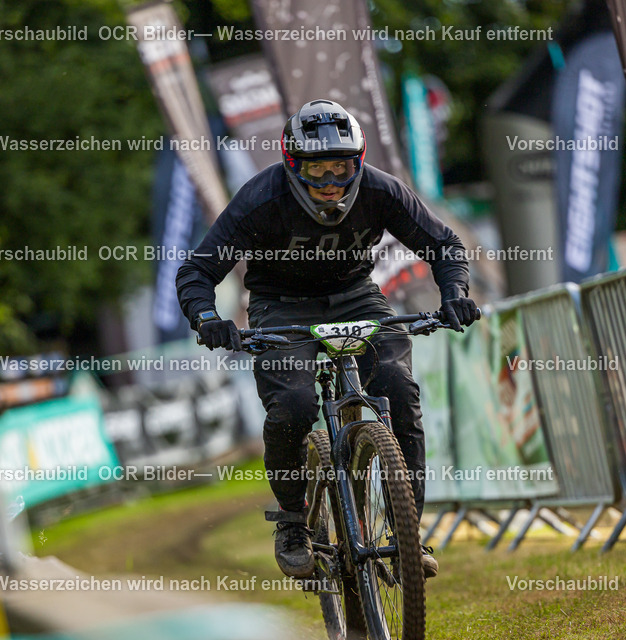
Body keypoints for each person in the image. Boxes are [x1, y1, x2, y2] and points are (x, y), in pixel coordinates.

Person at [176, 100, 477, 580]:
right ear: (292, 165)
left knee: (399, 389)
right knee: (293, 404)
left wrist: (455, 293)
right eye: (318, 169)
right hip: (280, 306)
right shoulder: (261, 198)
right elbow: (198, 269)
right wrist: (207, 316)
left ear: (358, 161)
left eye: (341, 166)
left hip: (355, 296)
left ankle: (407, 532)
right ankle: (294, 520)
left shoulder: (381, 190)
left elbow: (444, 244)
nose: (331, 181)